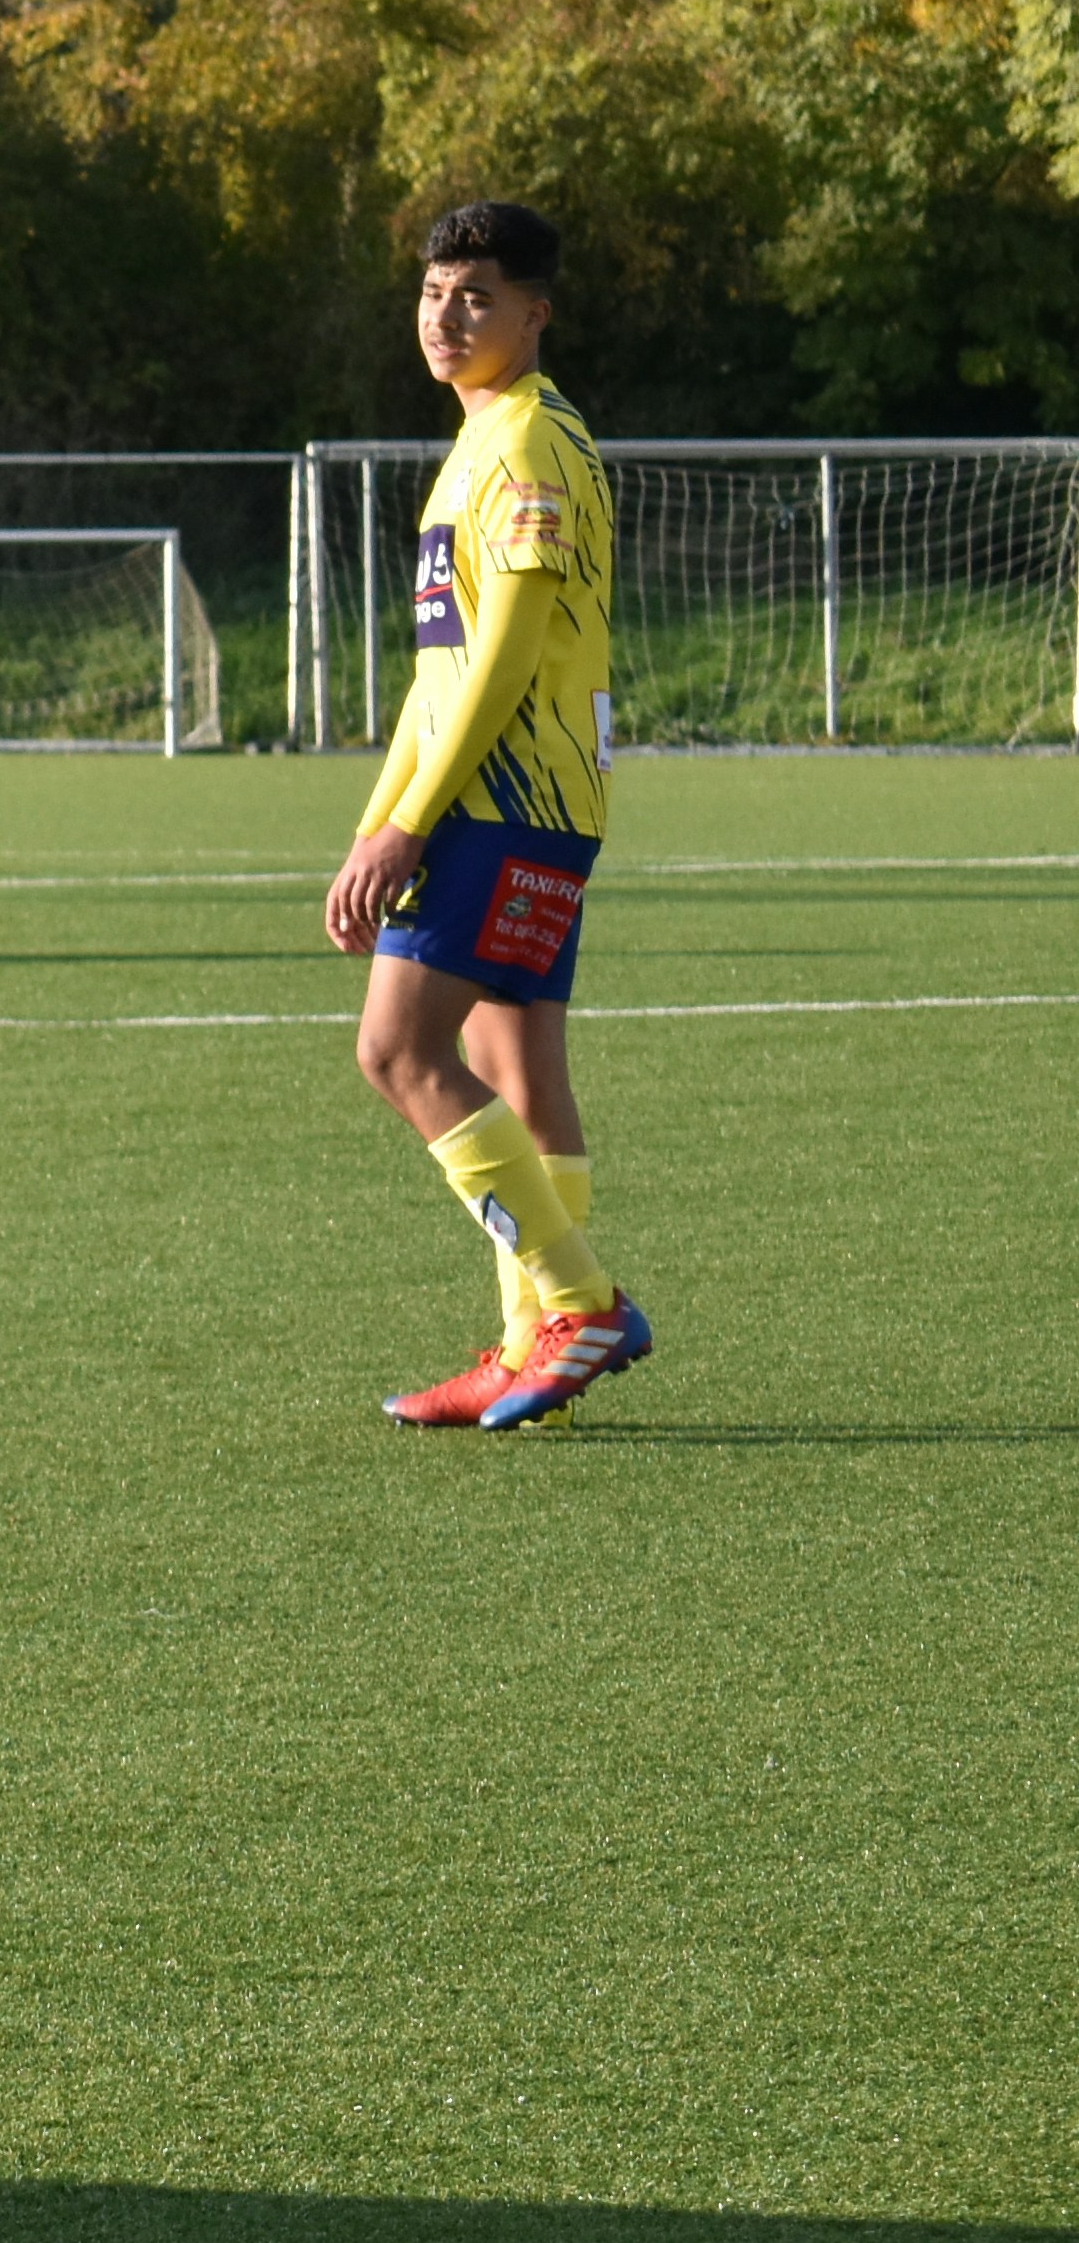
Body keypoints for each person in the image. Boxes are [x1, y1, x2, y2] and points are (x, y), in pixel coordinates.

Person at [330, 202, 648, 1432]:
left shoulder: (529, 443)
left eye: (475, 296)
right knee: (519, 1068)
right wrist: (377, 817)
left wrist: (411, 823)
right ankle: (533, 1349)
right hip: (522, 797)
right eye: (432, 293)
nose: (446, 316)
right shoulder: (481, 443)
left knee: (399, 1051)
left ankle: (577, 1303)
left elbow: (507, 655)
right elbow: (439, 669)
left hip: (506, 795)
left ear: (535, 312)